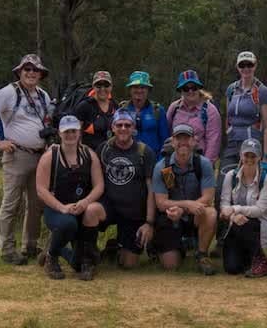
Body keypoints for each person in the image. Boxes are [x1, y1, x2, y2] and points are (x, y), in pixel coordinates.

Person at [0, 53, 55, 265]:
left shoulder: (43, 96)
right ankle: (7, 249)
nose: (31, 73)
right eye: (26, 69)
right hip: (16, 155)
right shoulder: (8, 93)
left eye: (35, 70)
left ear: (40, 74)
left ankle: (29, 245)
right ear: (19, 72)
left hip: (39, 156)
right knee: (11, 203)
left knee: (36, 204)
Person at [35, 115, 106, 280]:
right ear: (60, 133)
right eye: (66, 132)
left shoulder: (89, 155)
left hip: (81, 210)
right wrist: (62, 208)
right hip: (57, 211)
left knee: (78, 264)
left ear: (79, 133)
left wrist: (85, 202)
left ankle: (55, 249)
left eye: (73, 131)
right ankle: (52, 257)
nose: (70, 135)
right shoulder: (50, 156)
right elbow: (41, 189)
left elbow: (99, 186)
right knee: (68, 223)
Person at [151, 123, 218, 275]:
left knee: (211, 213)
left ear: (194, 141)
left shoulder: (203, 163)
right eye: (178, 138)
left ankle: (202, 255)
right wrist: (185, 205)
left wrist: (185, 209)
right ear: (173, 141)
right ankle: (174, 247)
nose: (183, 142)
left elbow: (207, 197)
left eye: (187, 138)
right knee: (171, 265)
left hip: (195, 214)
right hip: (171, 216)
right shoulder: (163, 167)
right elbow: (161, 203)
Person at [96, 108, 157, 268]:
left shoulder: (145, 152)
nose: (123, 129)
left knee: (129, 265)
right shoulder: (103, 149)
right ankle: (87, 251)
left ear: (134, 129)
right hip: (109, 206)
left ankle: (114, 248)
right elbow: (95, 182)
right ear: (113, 128)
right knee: (90, 211)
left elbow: (152, 190)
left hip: (133, 212)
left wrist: (149, 222)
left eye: (128, 125)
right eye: (119, 125)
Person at [218, 138, 267, 277]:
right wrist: (233, 216)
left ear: (260, 157)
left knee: (248, 222)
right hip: (235, 223)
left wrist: (236, 209)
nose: (249, 159)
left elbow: (259, 210)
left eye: (253, 156)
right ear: (240, 155)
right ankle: (249, 258)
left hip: (259, 223)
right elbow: (224, 204)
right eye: (246, 155)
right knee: (232, 268)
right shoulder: (230, 176)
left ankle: (261, 258)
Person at [222, 51, 267, 172]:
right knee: (224, 180)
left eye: (249, 65)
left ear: (255, 66)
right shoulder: (231, 89)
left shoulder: (262, 91)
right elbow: (228, 117)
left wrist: (266, 156)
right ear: (237, 67)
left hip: (252, 143)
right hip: (233, 143)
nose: (246, 68)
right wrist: (228, 132)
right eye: (242, 65)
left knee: (250, 182)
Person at [167, 70, 221, 161]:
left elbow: (213, 143)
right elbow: (167, 134)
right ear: (181, 90)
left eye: (194, 87)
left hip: (199, 161)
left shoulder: (210, 111)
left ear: (199, 88)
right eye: (186, 88)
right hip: (175, 161)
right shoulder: (174, 108)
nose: (190, 91)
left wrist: (205, 166)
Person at [120, 71, 170, 155]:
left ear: (148, 90)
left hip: (154, 159)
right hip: (128, 159)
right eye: (135, 87)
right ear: (130, 89)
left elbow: (165, 141)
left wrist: (161, 161)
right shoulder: (122, 110)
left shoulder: (158, 110)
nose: (139, 90)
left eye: (143, 87)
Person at [74, 70, 117, 152]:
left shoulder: (115, 105)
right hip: (89, 155)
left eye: (106, 85)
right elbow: (76, 134)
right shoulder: (84, 106)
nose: (102, 89)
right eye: (98, 86)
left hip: (110, 154)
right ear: (93, 87)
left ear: (111, 87)